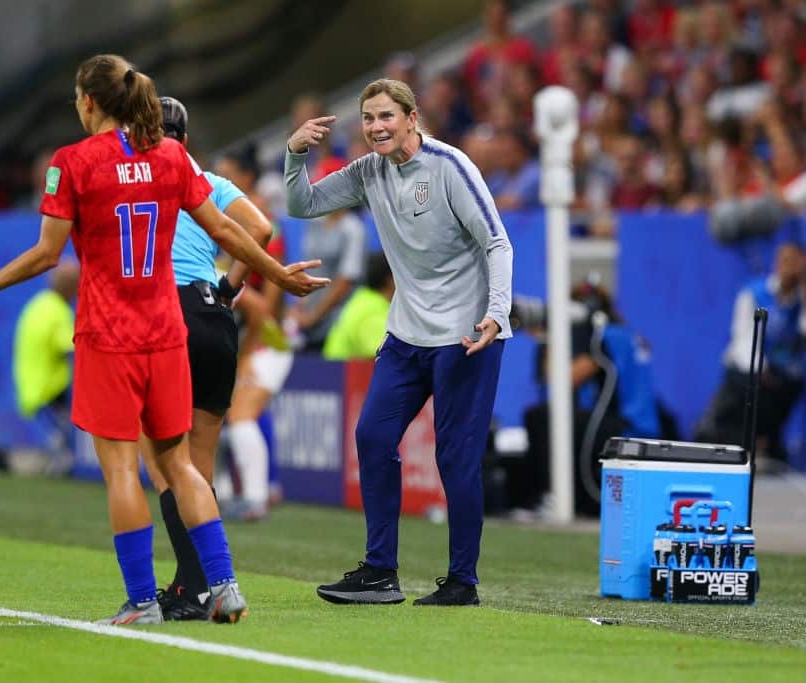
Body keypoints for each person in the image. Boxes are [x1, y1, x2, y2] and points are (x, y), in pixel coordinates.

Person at [0, 54, 328, 625]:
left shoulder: (71, 163)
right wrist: (280, 276)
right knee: (182, 465)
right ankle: (226, 587)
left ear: (88, 102)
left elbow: (45, 254)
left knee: (120, 471)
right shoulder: (171, 157)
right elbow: (229, 230)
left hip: (110, 335)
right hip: (166, 331)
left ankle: (140, 600)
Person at [285, 78, 512, 607]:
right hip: (407, 334)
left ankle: (462, 583)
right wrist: (294, 154)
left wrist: (496, 314)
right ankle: (380, 572)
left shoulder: (450, 166)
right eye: (367, 119)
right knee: (371, 436)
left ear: (412, 117)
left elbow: (497, 241)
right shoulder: (369, 171)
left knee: (456, 458)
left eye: (386, 116)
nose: (376, 127)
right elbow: (303, 204)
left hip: (466, 335)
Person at [137, 95, 272, 620]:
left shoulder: (140, 179)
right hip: (214, 316)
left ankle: (195, 587)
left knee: (165, 462)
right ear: (186, 139)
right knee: (201, 466)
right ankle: (195, 585)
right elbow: (259, 229)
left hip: (166, 313)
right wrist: (229, 287)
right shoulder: (210, 182)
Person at [514, 283, 666, 517]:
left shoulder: (604, 336)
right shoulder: (626, 334)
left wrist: (552, 335)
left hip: (626, 426)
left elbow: (560, 377)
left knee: (542, 418)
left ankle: (554, 496)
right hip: (641, 423)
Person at [696, 242, 806, 467]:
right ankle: (721, 435)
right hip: (750, 368)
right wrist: (761, 369)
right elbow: (743, 337)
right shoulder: (754, 292)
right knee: (745, 382)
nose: (789, 268)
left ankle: (771, 442)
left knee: (792, 382)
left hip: (783, 373)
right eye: (785, 261)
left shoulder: (799, 301)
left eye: (796, 263)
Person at [0, 261, 80, 475]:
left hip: (30, 383)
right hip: (50, 385)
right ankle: (60, 463)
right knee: (60, 431)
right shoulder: (59, 312)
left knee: (53, 430)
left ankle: (53, 459)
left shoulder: (38, 305)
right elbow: (69, 349)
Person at [288, 159, 367, 352]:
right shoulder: (315, 223)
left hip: (338, 321)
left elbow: (345, 281)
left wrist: (314, 316)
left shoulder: (352, 229)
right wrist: (299, 307)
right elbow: (308, 268)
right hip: (309, 322)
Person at [322, 252, 394, 361]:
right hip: (339, 374)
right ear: (390, 279)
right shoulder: (373, 308)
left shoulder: (363, 298)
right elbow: (383, 355)